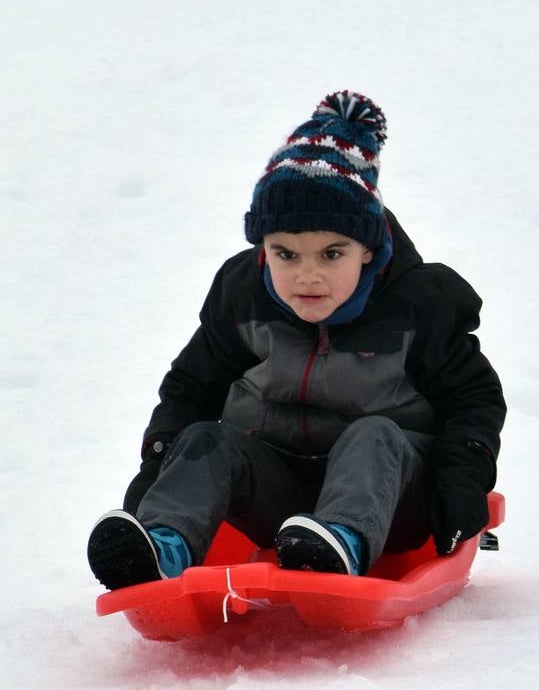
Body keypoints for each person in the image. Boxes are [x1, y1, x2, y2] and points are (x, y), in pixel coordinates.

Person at [87, 90, 506, 590]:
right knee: (207, 437)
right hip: (279, 490)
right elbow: (189, 390)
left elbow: (473, 399)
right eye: (286, 254)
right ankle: (162, 547)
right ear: (262, 248)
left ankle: (340, 546)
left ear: (368, 251)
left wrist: (461, 478)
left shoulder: (418, 306)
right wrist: (157, 465)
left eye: (331, 255)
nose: (307, 276)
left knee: (374, 435)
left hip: (394, 499)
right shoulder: (242, 297)